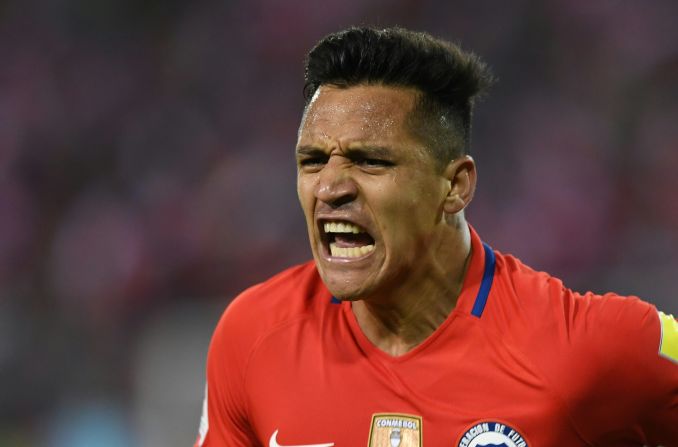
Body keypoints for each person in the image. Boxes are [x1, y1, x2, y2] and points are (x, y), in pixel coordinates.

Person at [194, 27, 678, 447]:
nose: (330, 187)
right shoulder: (253, 336)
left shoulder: (589, 349)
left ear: (454, 186)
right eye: (312, 160)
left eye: (370, 161)